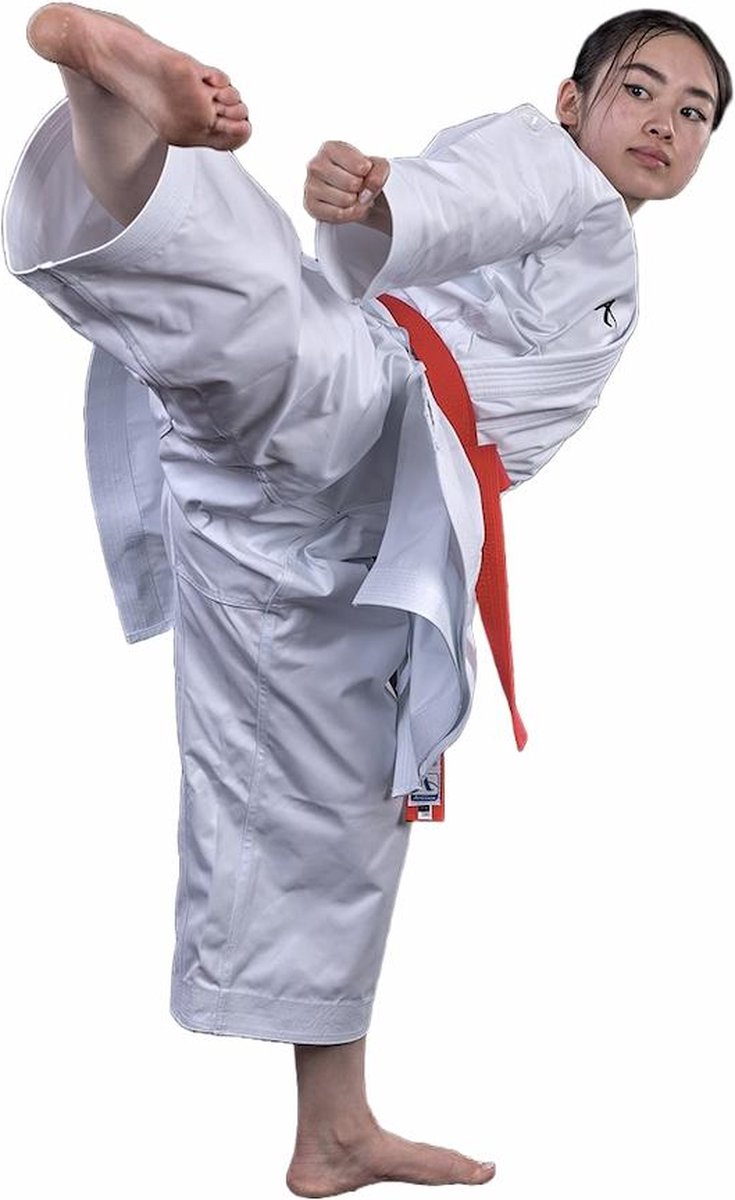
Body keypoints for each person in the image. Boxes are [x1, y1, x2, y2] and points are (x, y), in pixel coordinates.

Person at [3, 4, 730, 1195]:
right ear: (571, 101)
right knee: (250, 300)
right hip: (368, 407)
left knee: (335, 811)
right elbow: (479, 192)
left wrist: (392, 210)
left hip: (344, 532)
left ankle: (332, 1131)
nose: (665, 123)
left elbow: (478, 228)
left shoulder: (607, 260)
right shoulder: (561, 179)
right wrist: (391, 197)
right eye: (640, 90)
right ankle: (107, 86)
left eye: (695, 114)